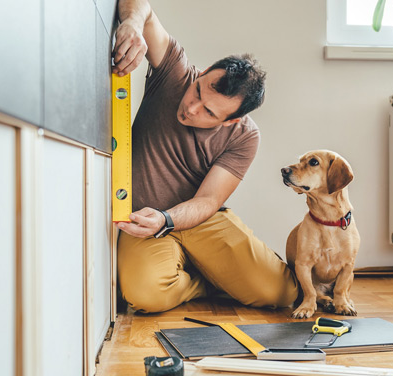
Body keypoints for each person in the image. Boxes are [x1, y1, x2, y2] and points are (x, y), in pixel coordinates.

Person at [112, 0, 298, 313]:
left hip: (198, 219)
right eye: (199, 90)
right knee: (146, 296)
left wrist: (168, 219)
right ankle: (208, 281)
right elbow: (139, 5)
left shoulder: (245, 136)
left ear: (231, 120)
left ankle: (216, 273)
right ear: (205, 72)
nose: (191, 108)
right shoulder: (175, 72)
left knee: (280, 292)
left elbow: (209, 201)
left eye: (208, 111)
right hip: (143, 218)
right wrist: (131, 23)